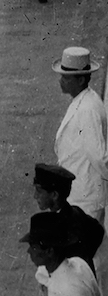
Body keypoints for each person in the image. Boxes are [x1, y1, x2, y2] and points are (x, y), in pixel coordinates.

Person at [20, 212, 105, 296]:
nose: (29, 251)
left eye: (33, 246)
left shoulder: (65, 291)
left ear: (49, 251)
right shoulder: (79, 263)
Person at [53, 47, 108, 223]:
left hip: (85, 198)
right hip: (78, 194)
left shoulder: (87, 109)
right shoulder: (83, 100)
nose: (61, 81)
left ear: (81, 79)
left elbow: (99, 157)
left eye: (66, 78)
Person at [32, 163, 104, 272]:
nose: (35, 196)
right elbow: (97, 230)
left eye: (39, 191)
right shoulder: (74, 212)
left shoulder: (68, 227)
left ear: (54, 195)